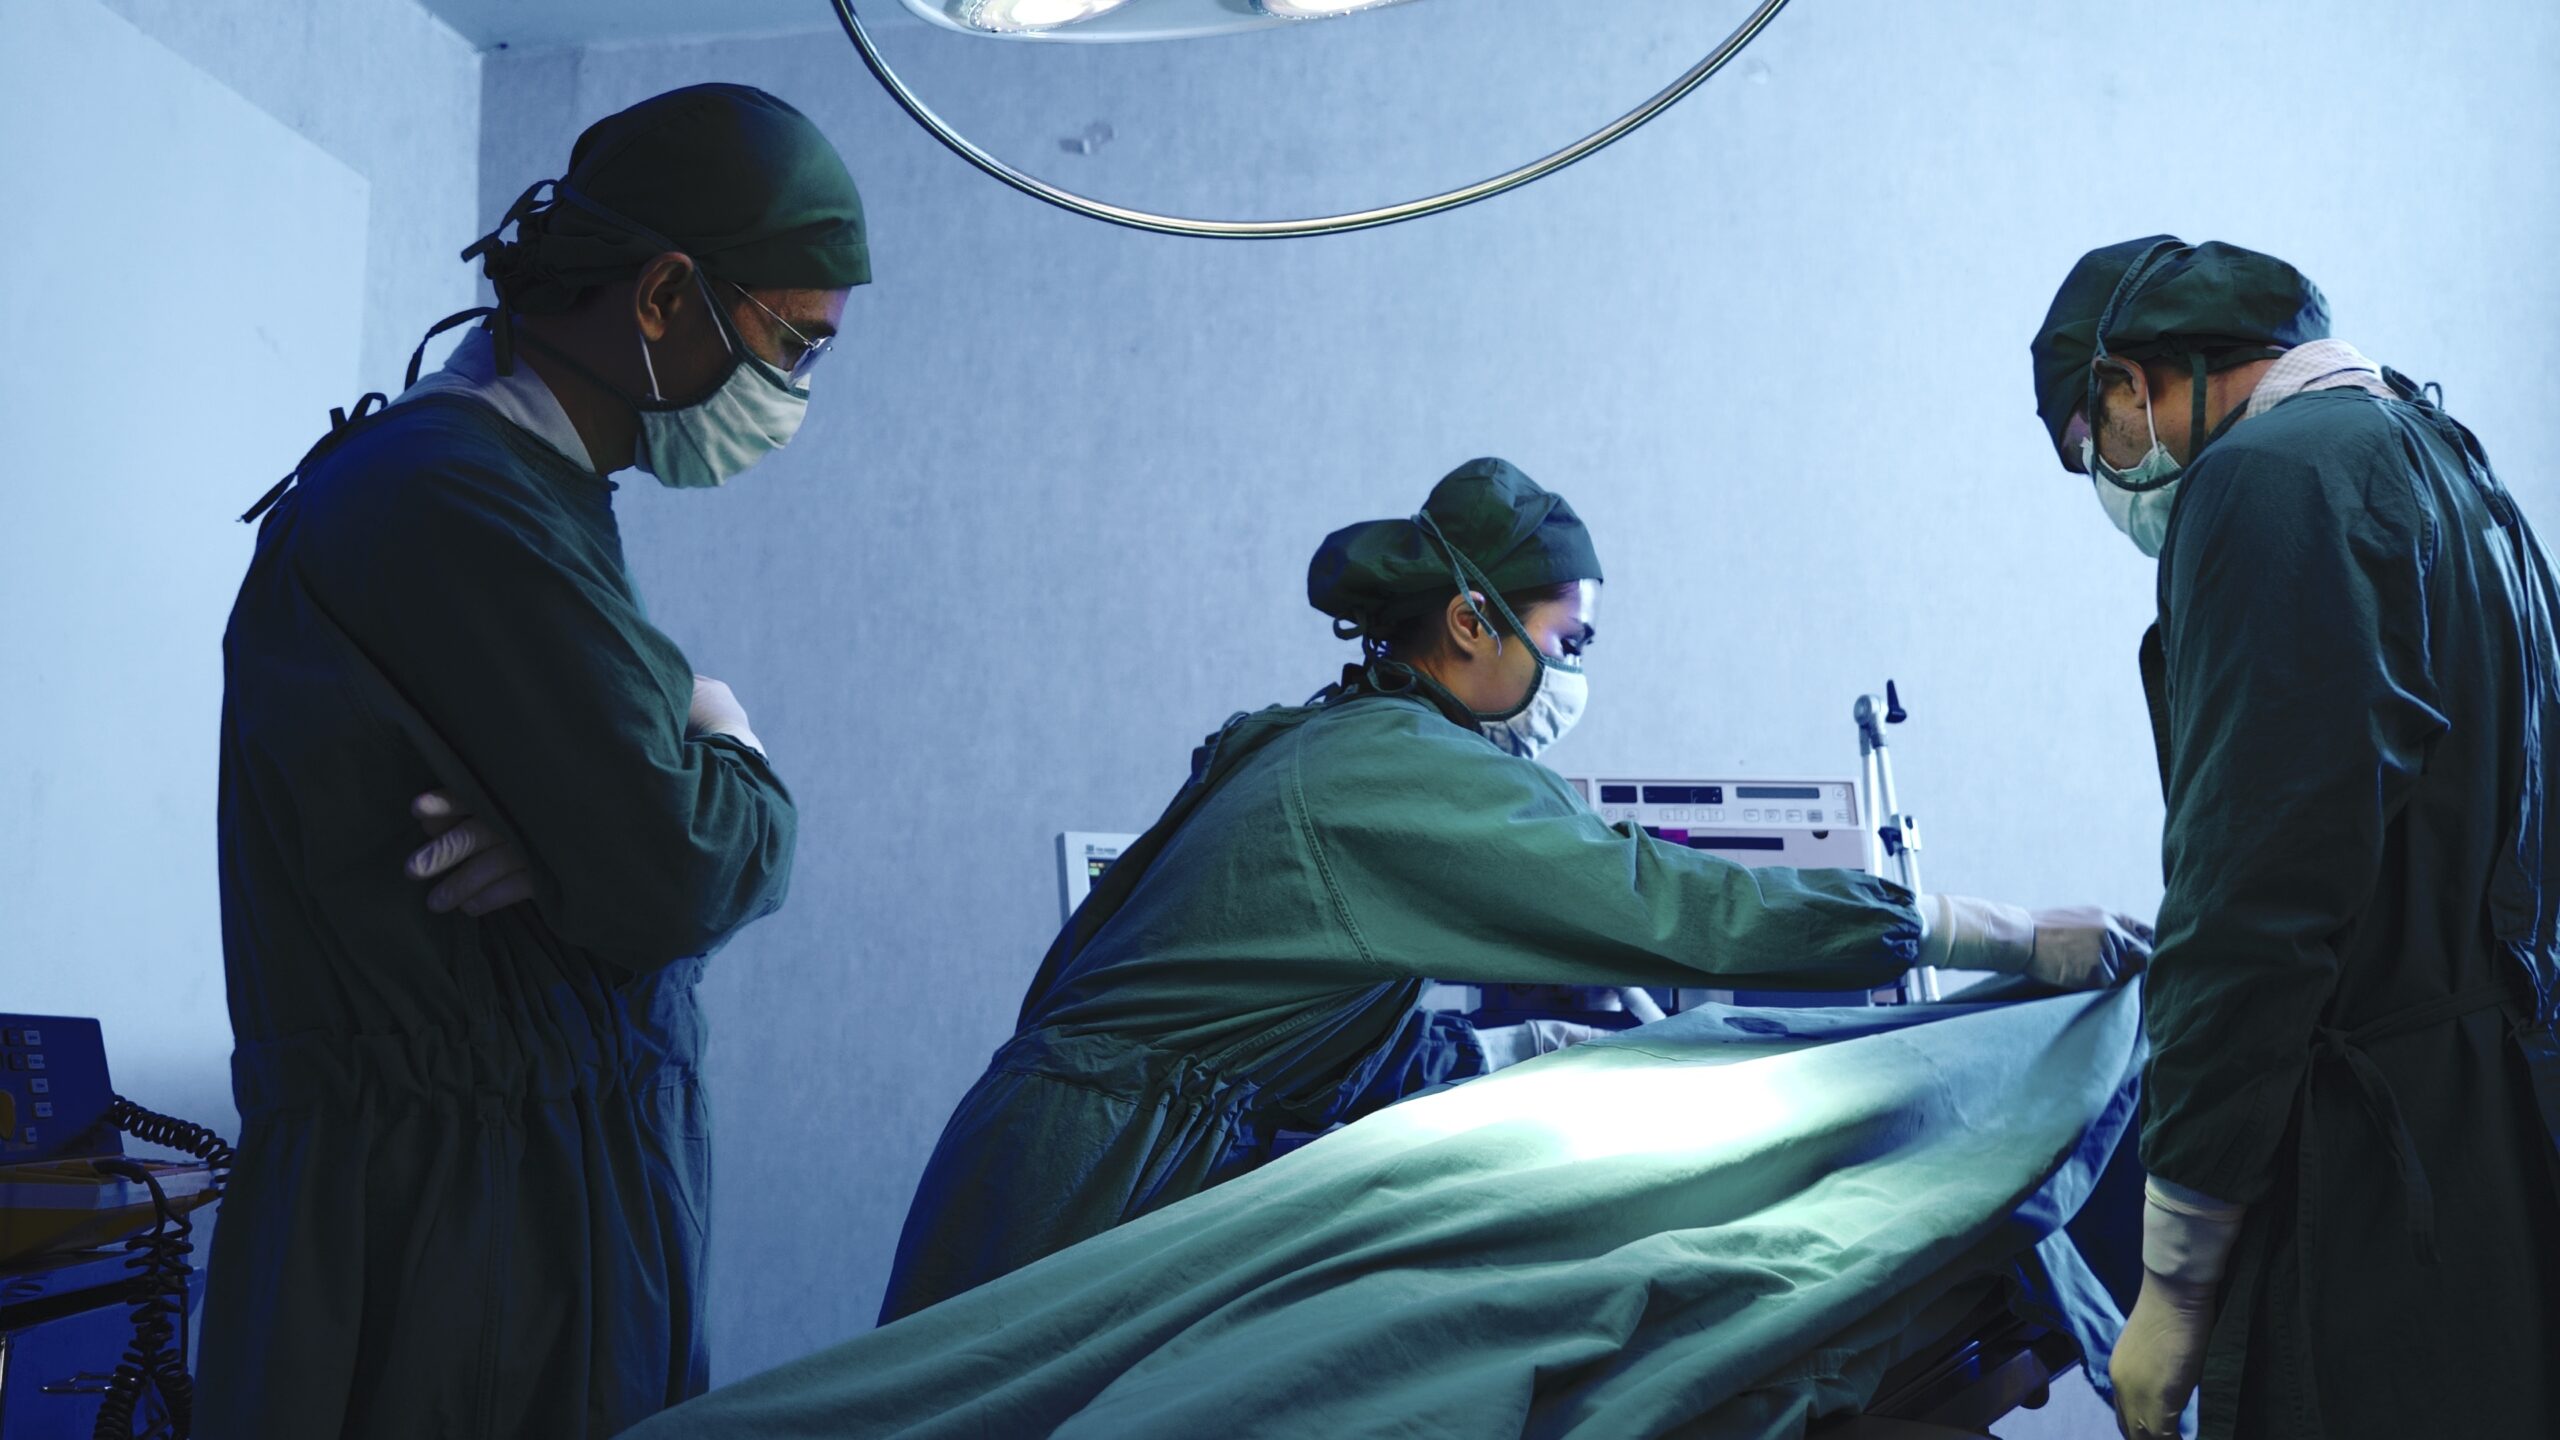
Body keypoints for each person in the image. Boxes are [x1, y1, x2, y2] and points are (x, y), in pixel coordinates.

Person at [877, 456, 2151, 1322]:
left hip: (1048, 1155)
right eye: (1568, 641)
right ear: (1471, 623)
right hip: (1080, 1186)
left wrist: (1514, 1049)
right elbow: (1665, 903)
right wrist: (1982, 931)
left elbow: (1297, 1046)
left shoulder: (1335, 742)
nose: (1575, 674)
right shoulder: (1395, 769)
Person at [202, 84, 868, 1438]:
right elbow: (680, 864)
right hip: (463, 1238)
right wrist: (718, 726)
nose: (796, 394)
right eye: (793, 348)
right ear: (666, 296)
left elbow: (624, 843)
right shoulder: (451, 494)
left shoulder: (532, 498)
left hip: (535, 1201)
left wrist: (589, 831)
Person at [2028, 236, 2560, 1440]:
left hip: (2380, 1192)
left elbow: (2255, 896)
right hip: (2499, 1133)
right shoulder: (2442, 461)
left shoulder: (2271, 479)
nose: (2112, 482)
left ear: (2123, 385)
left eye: (2090, 448)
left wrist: (2171, 1286)